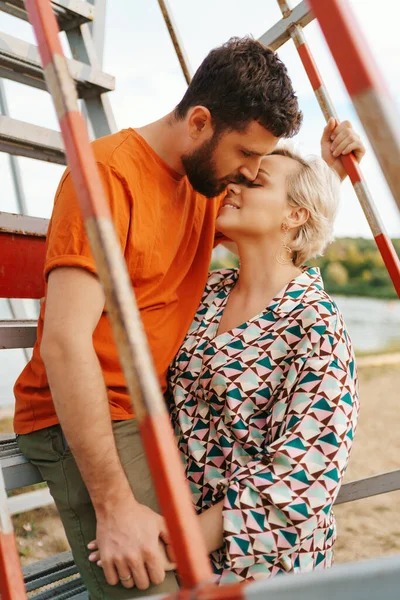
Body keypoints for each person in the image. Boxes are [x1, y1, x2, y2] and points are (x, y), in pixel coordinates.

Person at [13, 37, 303, 599]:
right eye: (246, 154)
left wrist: (337, 161)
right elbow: (66, 344)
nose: (249, 173)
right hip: (86, 411)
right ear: (199, 122)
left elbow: (278, 219)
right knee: (158, 587)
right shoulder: (106, 177)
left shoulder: (204, 182)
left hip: (154, 408)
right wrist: (115, 505)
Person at [165, 143, 362, 583]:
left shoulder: (316, 321)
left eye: (254, 182)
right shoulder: (207, 292)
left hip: (261, 562)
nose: (233, 186)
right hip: (176, 530)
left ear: (295, 216)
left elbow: (307, 470)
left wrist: (185, 540)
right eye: (237, 177)